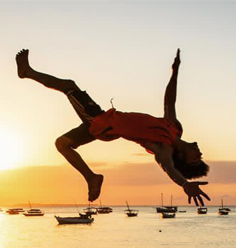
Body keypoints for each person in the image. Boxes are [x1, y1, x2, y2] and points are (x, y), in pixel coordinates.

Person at [16, 48, 210, 204]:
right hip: (104, 123)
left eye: (196, 160)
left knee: (69, 86)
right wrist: (175, 73)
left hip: (101, 122)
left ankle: (27, 72)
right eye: (200, 157)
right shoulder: (175, 127)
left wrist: (184, 184)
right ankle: (92, 178)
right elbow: (170, 102)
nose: (199, 154)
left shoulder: (163, 147)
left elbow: (168, 168)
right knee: (62, 144)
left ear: (183, 158)